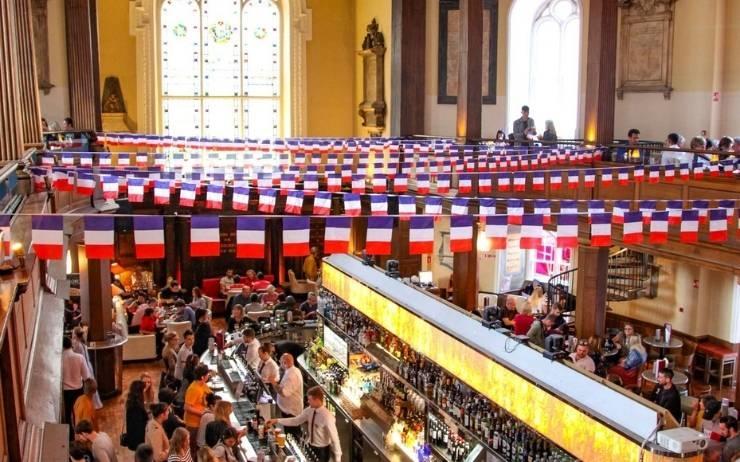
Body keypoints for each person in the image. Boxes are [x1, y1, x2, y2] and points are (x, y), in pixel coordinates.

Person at [267, 386, 342, 462]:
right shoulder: (310, 410)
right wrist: (277, 420)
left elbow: (335, 439)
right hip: (310, 446)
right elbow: (296, 421)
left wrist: (338, 459)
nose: (308, 402)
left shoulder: (327, 417)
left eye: (310, 399)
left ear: (316, 400)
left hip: (322, 451)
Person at [63, 336, 90, 436]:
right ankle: (82, 436)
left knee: (67, 415)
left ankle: (70, 437)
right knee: (79, 414)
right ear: (71, 345)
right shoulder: (79, 357)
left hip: (66, 391)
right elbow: (86, 376)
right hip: (79, 390)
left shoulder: (60, 359)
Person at [273, 353, 304, 438]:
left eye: (281, 362)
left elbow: (284, 393)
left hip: (292, 411)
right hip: (288, 410)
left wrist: (273, 383)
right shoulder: (291, 371)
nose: (280, 365)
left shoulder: (292, 375)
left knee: (292, 436)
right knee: (288, 432)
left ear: (285, 363)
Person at [184, 364, 212, 452]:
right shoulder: (193, 389)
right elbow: (187, 407)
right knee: (192, 448)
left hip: (200, 422)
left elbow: (209, 394)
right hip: (193, 424)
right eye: (207, 374)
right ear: (202, 377)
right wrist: (203, 413)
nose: (209, 376)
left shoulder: (202, 384)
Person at [125, 380, 150, 451]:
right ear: (140, 392)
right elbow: (140, 424)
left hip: (132, 436)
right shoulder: (137, 406)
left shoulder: (131, 401)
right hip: (138, 440)